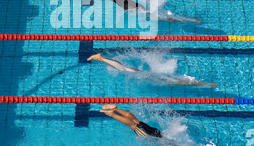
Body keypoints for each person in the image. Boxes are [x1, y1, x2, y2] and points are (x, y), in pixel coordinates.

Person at [99, 104, 214, 146]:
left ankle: (116, 109)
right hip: (151, 133)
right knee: (132, 123)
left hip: (155, 132)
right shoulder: (175, 145)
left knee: (134, 121)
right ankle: (113, 113)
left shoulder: (172, 140)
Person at [87, 53, 218, 87]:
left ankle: (102, 58)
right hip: (147, 75)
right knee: (124, 69)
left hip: (146, 75)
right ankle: (101, 58)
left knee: (125, 69)